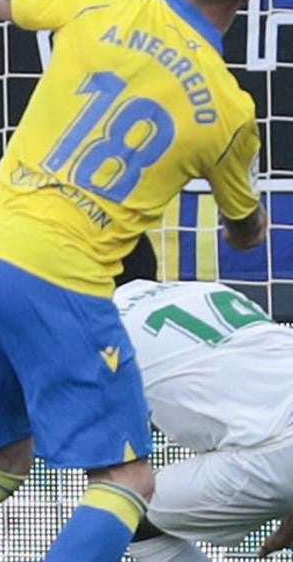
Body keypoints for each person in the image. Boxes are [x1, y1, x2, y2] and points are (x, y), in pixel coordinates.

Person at [0, 0, 267, 562]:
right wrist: (246, 213)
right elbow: (244, 233)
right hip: (59, 280)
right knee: (127, 480)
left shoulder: (102, 4)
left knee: (1, 461)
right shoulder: (230, 111)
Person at [109, 237, 293, 562]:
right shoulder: (207, 290)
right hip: (278, 436)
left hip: (273, 452)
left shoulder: (99, 331)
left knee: (121, 510)